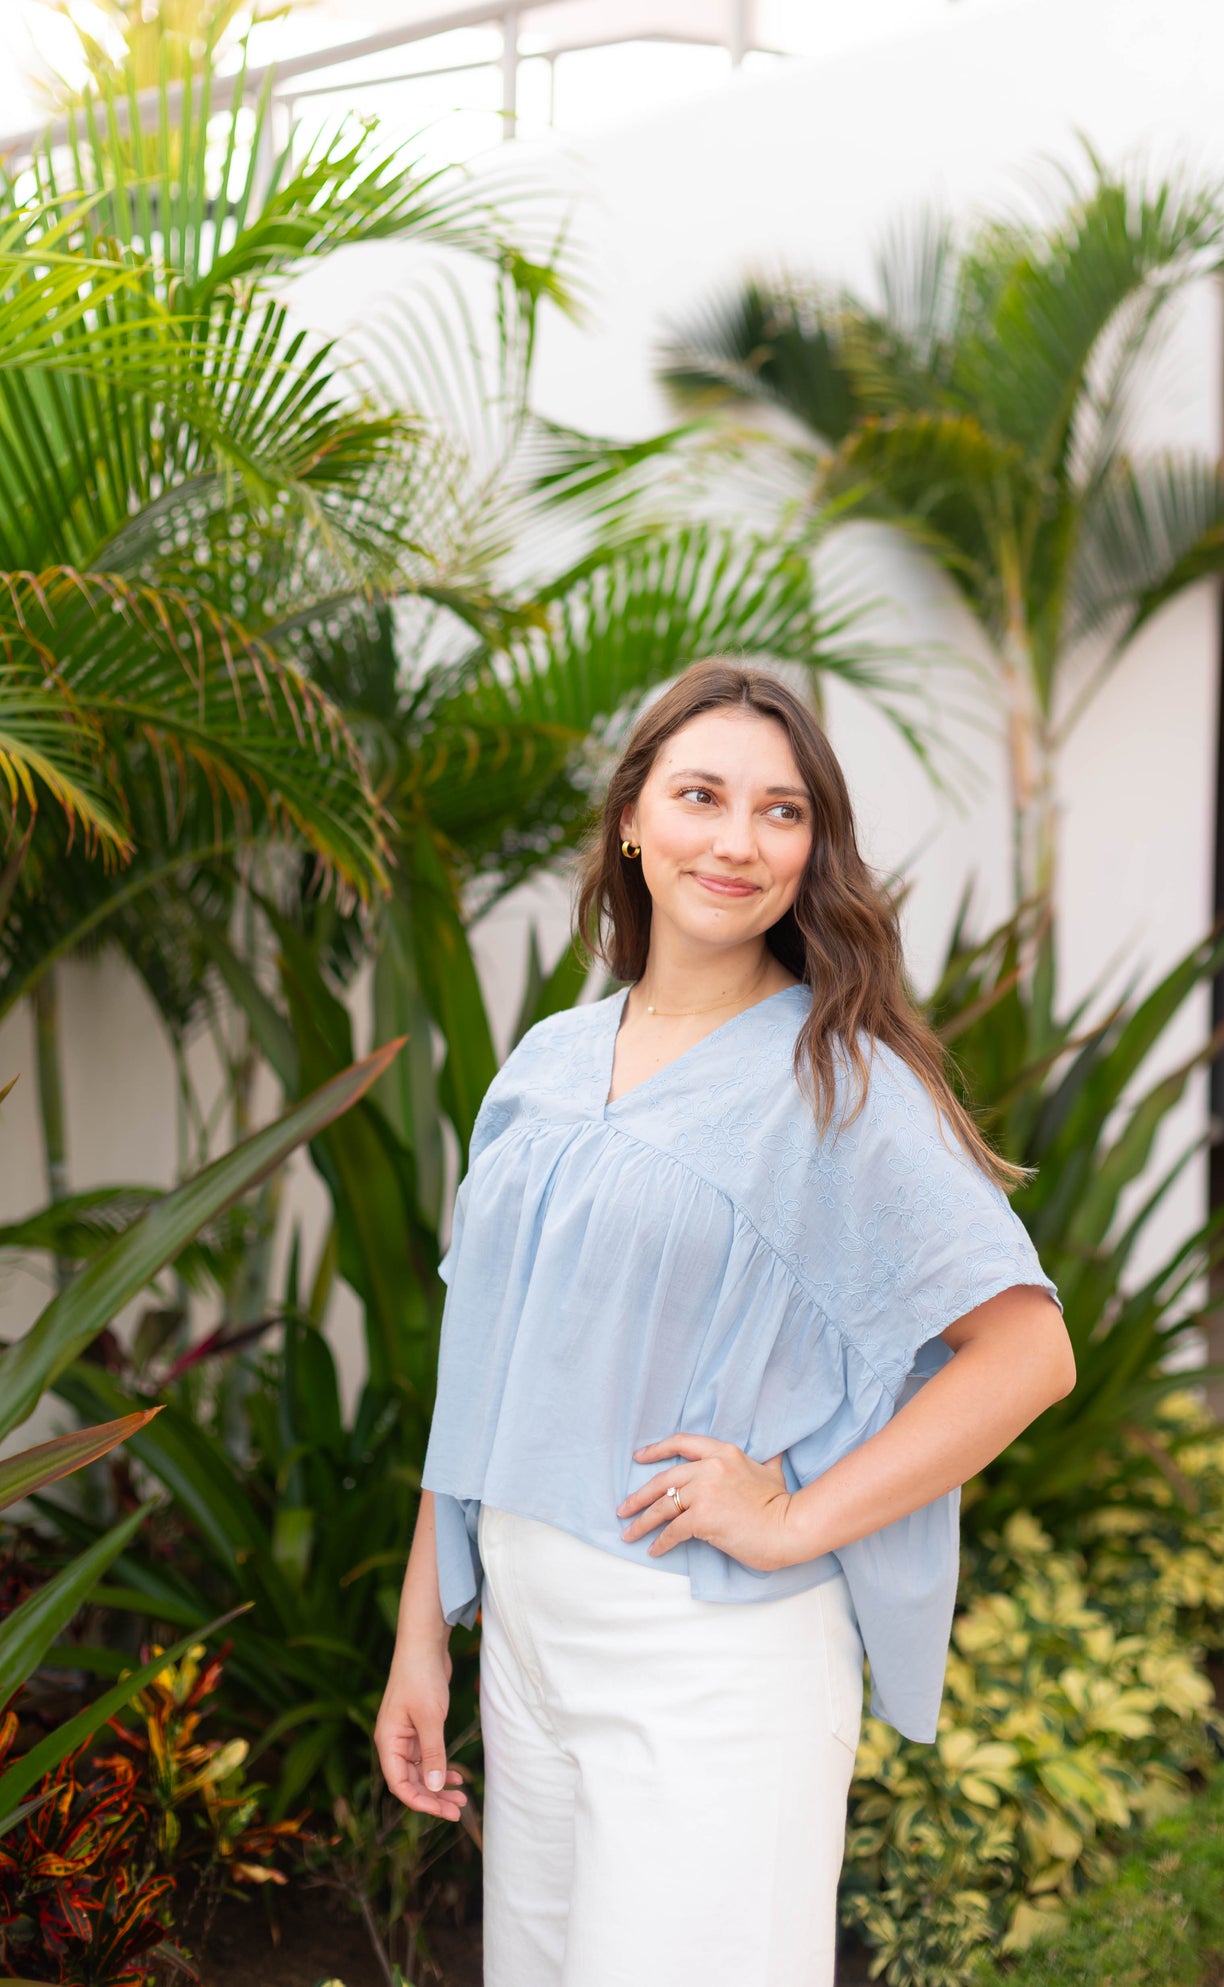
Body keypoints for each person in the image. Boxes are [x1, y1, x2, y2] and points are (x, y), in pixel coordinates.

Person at [374, 658, 1074, 1986]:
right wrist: (425, 1635)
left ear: (814, 852)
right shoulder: (545, 1064)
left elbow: (1027, 1353)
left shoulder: (840, 1080)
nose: (737, 841)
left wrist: (798, 1518)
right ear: (631, 817)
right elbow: (485, 1372)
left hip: (707, 1655)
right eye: (701, 795)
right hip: (525, 1634)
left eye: (782, 811)